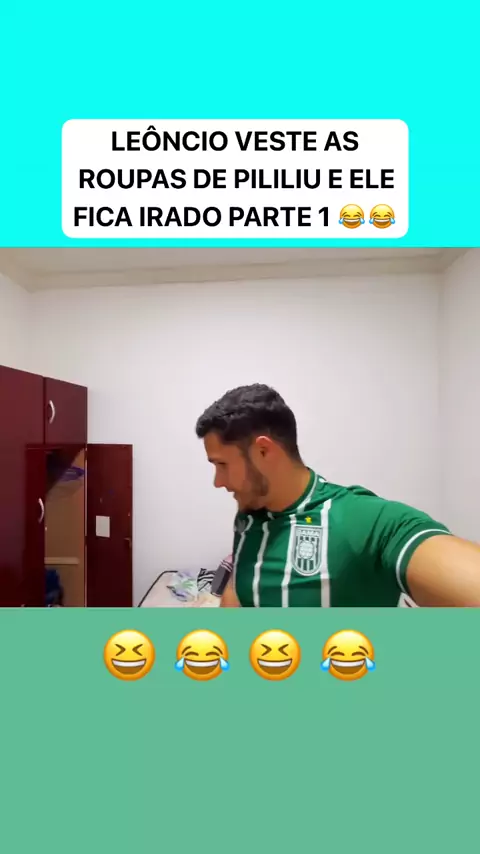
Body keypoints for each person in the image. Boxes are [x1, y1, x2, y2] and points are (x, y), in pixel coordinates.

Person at [195, 383, 480, 608]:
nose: (218, 482)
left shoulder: (365, 520)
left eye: (222, 464)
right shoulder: (248, 513)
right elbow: (239, 585)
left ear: (263, 451)